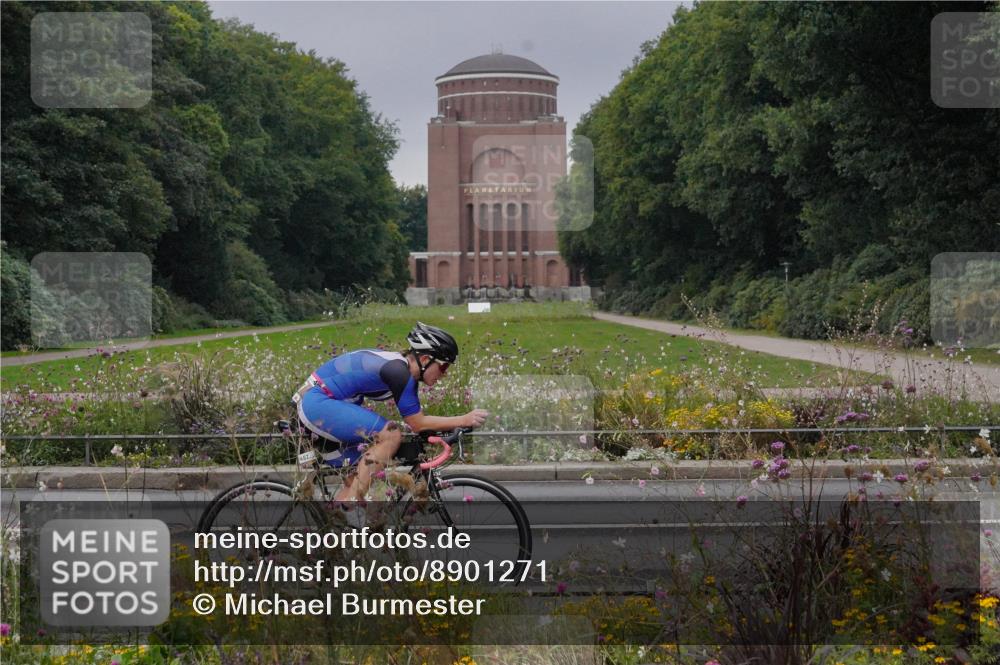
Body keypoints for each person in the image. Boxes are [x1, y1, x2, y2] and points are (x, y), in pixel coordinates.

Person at [294, 322, 488, 502]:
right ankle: (351, 505)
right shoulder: (399, 372)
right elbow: (417, 423)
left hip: (319, 403)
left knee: (356, 476)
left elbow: (417, 421)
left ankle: (339, 531)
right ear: (425, 359)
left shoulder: (399, 368)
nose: (444, 374)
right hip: (317, 402)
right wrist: (464, 419)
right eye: (443, 366)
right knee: (391, 435)